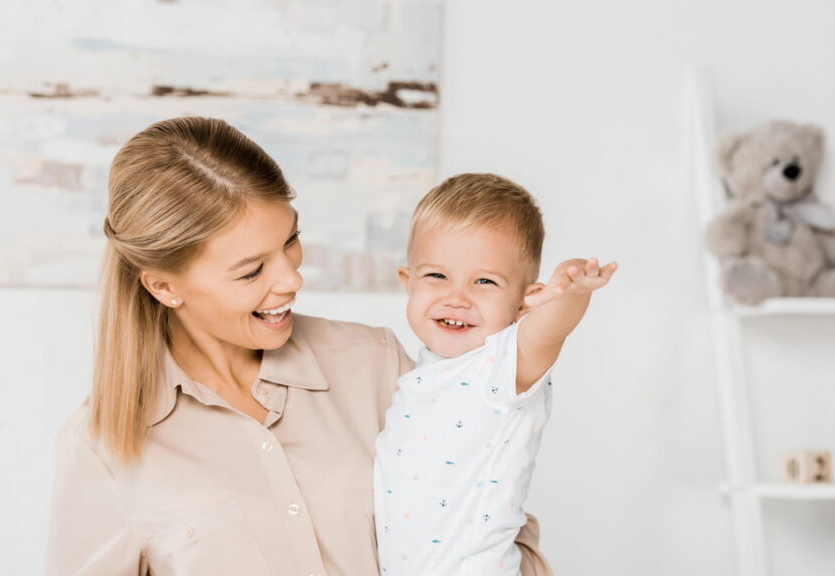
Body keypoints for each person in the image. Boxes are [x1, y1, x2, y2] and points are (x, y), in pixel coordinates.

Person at [46, 118, 551, 576]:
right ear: (164, 287)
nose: (292, 279)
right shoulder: (102, 447)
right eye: (252, 270)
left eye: (291, 241)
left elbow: (491, 519)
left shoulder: (377, 365)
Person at [374, 173, 616, 575]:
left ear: (526, 303)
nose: (456, 297)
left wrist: (571, 289)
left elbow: (549, 330)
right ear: (408, 281)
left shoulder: (501, 366)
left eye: (484, 281)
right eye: (437, 276)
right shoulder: (421, 374)